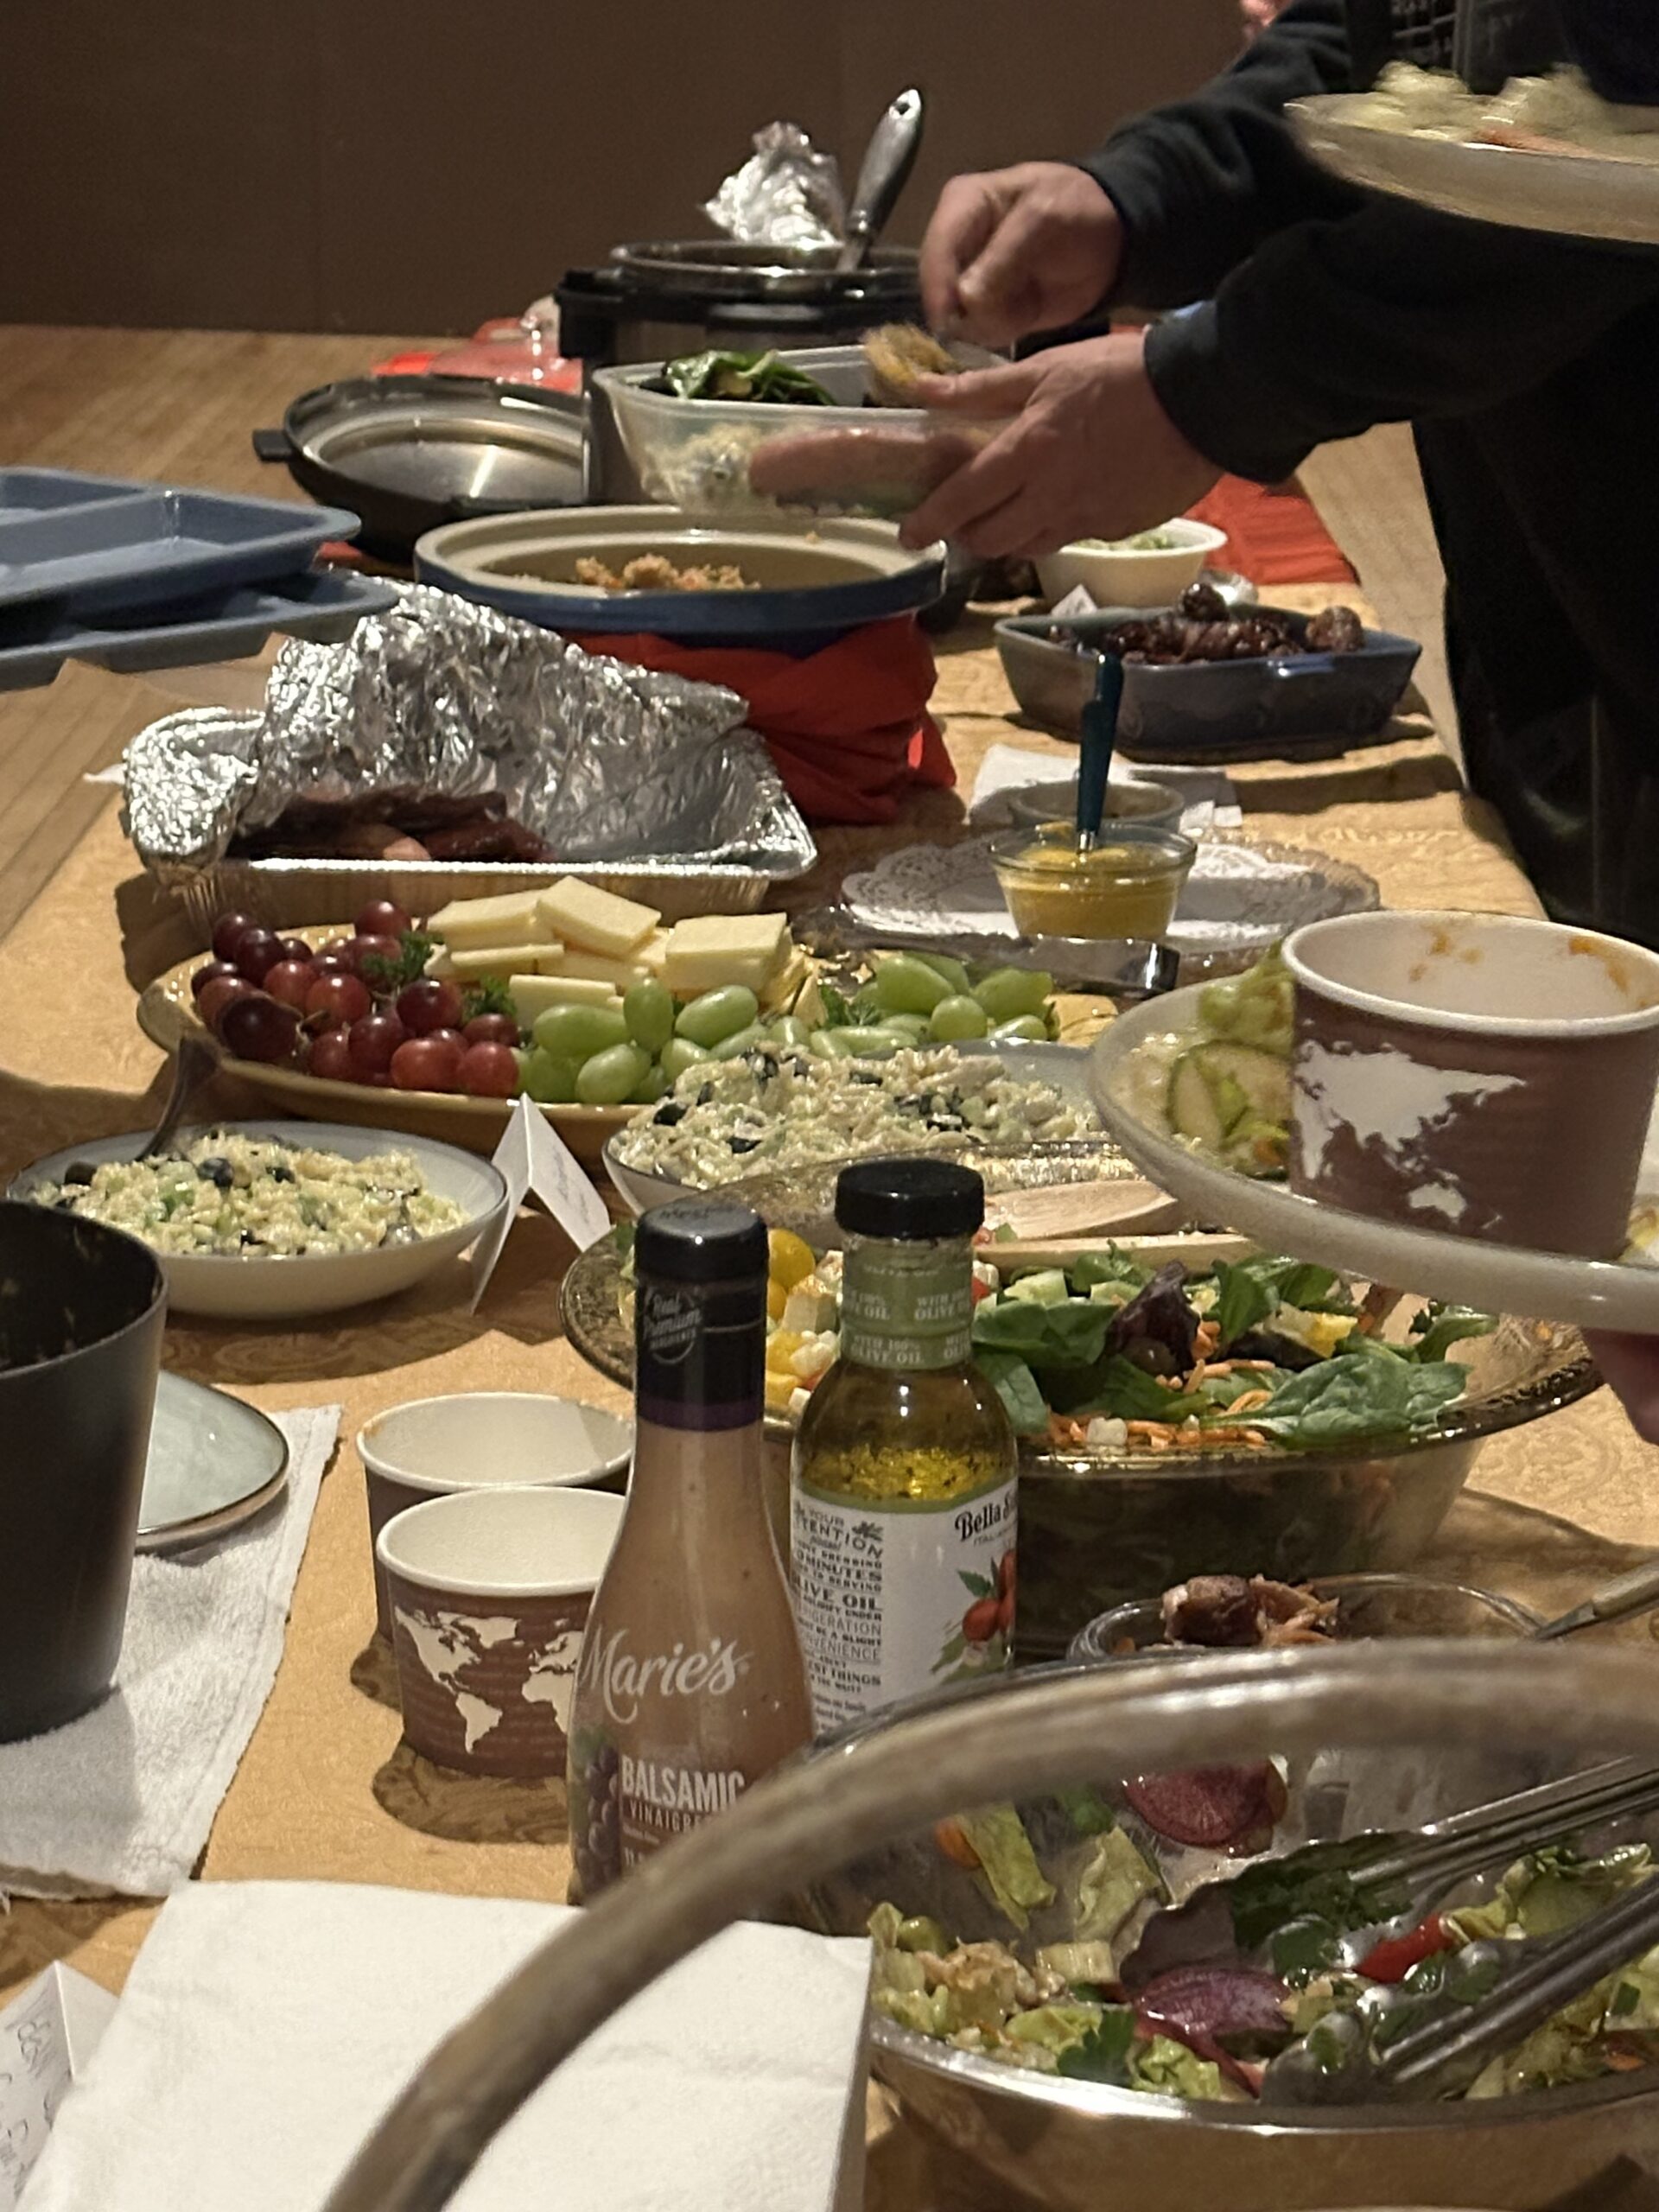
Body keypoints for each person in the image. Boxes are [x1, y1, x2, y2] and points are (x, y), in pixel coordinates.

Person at [895, 0, 1659, 948]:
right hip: (1553, 560)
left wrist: (1204, 388)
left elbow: (1606, 148)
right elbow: (1409, 50)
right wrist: (1141, 196)